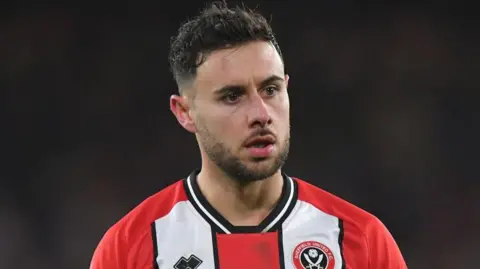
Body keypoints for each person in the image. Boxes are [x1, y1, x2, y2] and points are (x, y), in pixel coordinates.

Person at [90, 2, 407, 269]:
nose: (261, 114)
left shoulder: (361, 241)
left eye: (271, 90)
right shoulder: (129, 248)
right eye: (232, 96)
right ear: (185, 112)